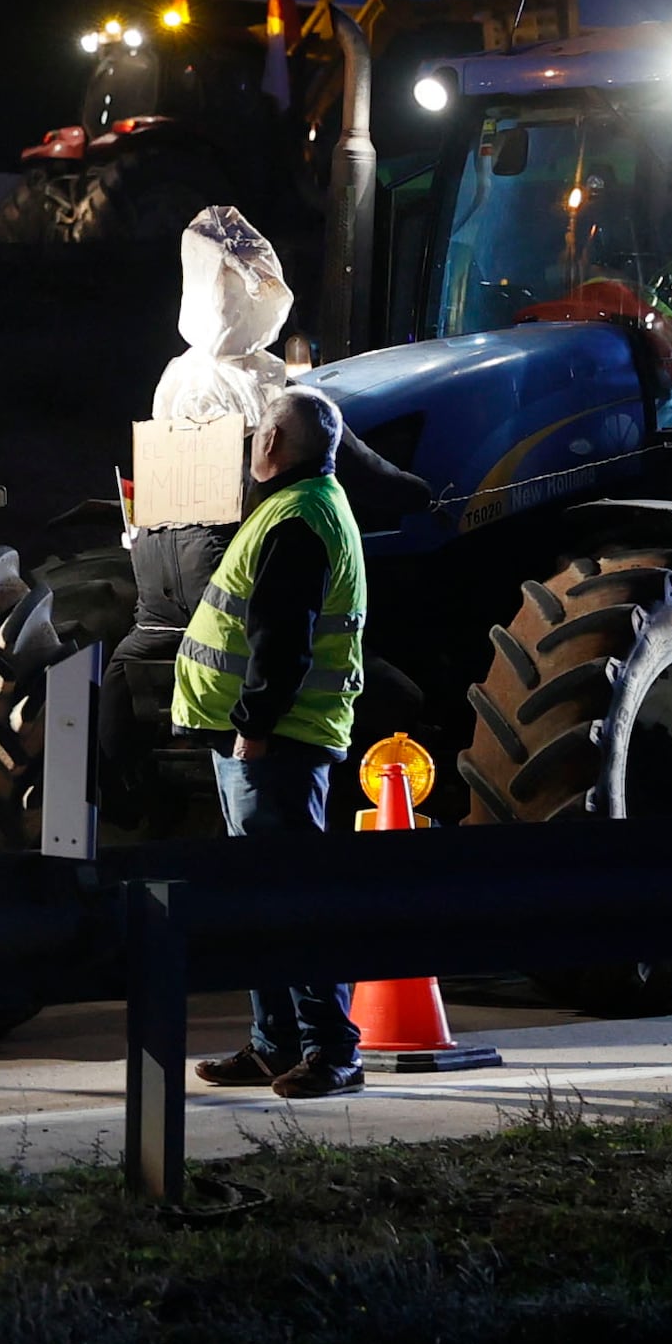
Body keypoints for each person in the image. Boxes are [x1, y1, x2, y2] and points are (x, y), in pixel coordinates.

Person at [176, 389, 372, 1096]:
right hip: (266, 740)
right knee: (263, 898)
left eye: (263, 429)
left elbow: (280, 643)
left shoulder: (297, 520)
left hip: (277, 743)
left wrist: (253, 729)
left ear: (274, 447)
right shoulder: (305, 506)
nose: (254, 440)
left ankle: (331, 1049)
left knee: (290, 899)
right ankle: (276, 1043)